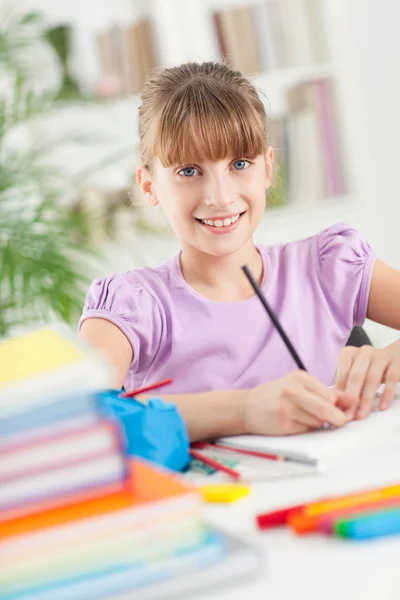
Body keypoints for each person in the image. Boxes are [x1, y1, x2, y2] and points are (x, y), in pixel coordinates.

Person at [79, 61, 400, 442]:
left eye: (239, 164)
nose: (220, 197)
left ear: (266, 168)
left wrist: (390, 361)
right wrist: (245, 410)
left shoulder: (327, 268)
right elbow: (83, 418)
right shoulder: (130, 307)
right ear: (148, 185)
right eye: (188, 171)